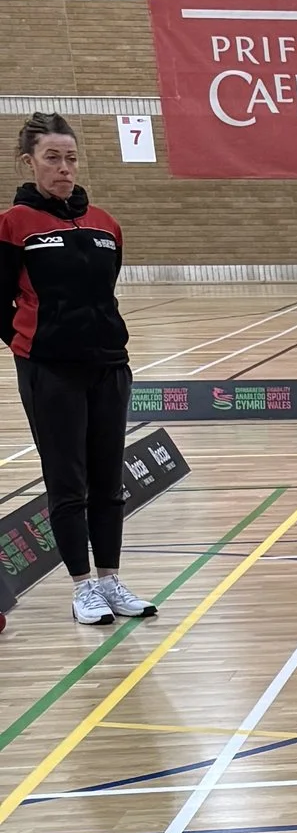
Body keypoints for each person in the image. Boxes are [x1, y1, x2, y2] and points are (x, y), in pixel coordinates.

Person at [0, 113, 149, 626]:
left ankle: (110, 578)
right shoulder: (13, 224)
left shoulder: (106, 224)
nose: (64, 168)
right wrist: (32, 347)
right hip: (50, 372)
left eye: (70, 158)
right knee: (68, 481)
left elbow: (106, 292)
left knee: (108, 481)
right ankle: (82, 587)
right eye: (52, 158)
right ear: (29, 162)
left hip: (109, 367)